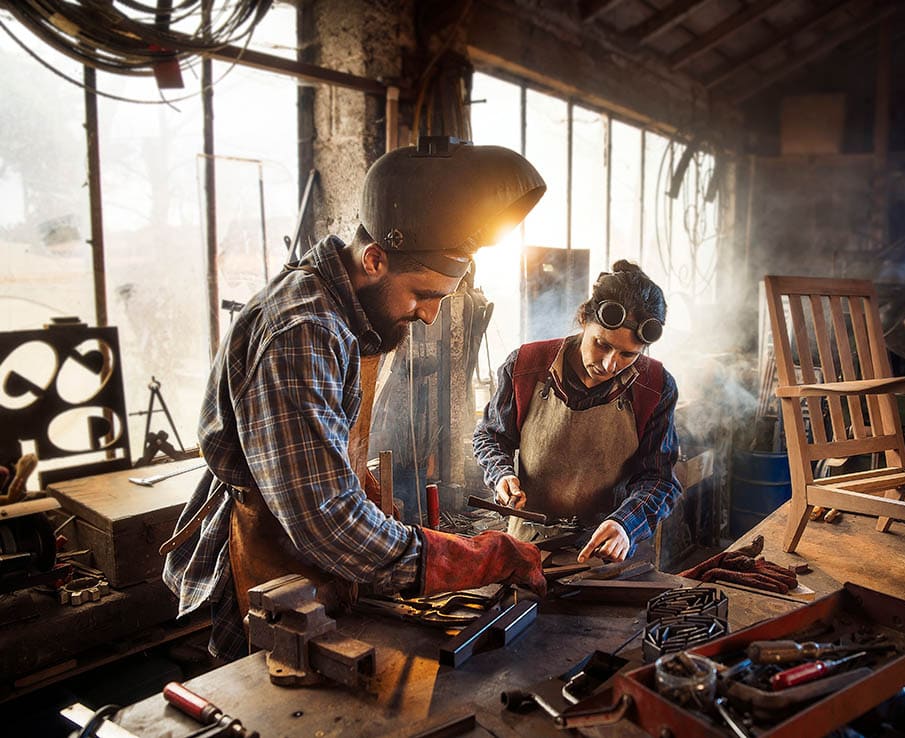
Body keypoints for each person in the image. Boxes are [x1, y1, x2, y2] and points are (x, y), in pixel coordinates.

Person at [162, 137, 548, 661]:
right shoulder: (302, 330)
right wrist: (469, 558)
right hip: (278, 578)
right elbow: (327, 518)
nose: (429, 316)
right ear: (374, 259)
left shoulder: (347, 315)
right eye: (423, 295)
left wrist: (361, 485)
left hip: (321, 570)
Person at [473, 261, 681, 564]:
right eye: (602, 344)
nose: (609, 365)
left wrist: (626, 524)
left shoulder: (655, 387)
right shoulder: (526, 366)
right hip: (529, 544)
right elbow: (491, 436)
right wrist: (501, 474)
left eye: (627, 355)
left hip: (606, 548)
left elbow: (660, 479)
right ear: (584, 318)